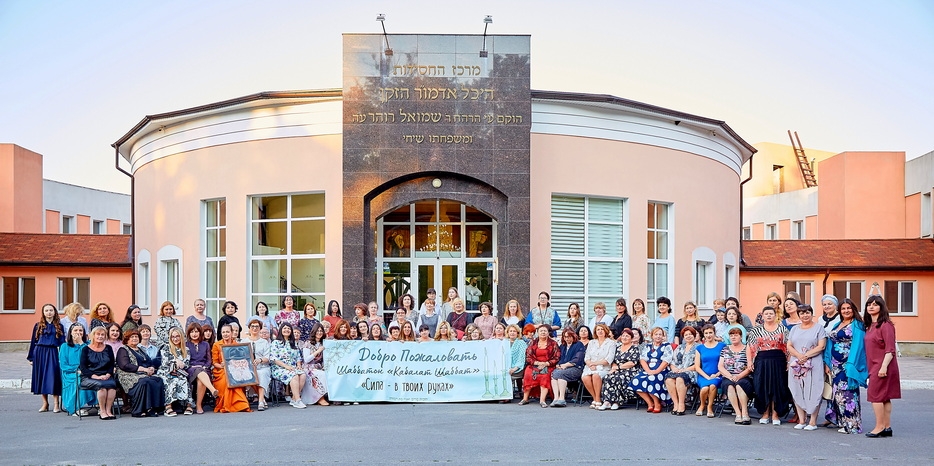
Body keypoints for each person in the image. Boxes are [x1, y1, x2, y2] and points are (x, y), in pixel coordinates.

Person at [823, 298, 868, 434]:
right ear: (839, 311)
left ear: (853, 309)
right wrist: (827, 363)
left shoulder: (858, 325)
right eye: (843, 308)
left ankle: (853, 425)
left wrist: (851, 364)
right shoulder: (838, 324)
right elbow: (830, 342)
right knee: (838, 395)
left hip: (847, 365)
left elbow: (859, 346)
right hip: (835, 366)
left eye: (849, 308)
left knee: (848, 394)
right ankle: (843, 422)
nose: (846, 311)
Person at [863, 295, 900, 438]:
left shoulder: (886, 325)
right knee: (884, 397)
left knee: (875, 396)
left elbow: (890, 349)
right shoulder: (870, 326)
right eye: (869, 304)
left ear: (881, 307)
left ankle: (879, 427)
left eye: (875, 304)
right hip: (874, 365)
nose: (871, 307)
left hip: (883, 366)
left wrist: (883, 367)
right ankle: (887, 427)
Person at [748, 306, 791, 425]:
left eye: (771, 313)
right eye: (766, 313)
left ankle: (776, 414)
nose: (768, 315)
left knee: (777, 387)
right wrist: (749, 361)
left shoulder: (783, 329)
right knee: (762, 386)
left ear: (775, 315)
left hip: (779, 361)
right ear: (762, 316)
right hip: (761, 361)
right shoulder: (756, 330)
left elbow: (788, 347)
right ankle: (765, 413)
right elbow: (750, 346)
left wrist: (788, 362)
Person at [115, 329, 166, 417]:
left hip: (143, 374)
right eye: (132, 337)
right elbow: (124, 365)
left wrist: (151, 368)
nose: (135, 338)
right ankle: (139, 410)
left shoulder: (140, 349)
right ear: (127, 339)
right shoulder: (123, 349)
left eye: (136, 337)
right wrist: (143, 369)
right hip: (127, 375)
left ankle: (154, 408)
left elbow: (149, 361)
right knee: (144, 382)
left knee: (158, 380)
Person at [28, 303, 64, 413]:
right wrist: (31, 358)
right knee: (42, 377)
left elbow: (62, 343)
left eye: (51, 310)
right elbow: (33, 341)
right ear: (43, 313)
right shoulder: (38, 325)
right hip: (39, 352)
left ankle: (56, 403)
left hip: (52, 352)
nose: (49, 312)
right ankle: (45, 403)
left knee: (53, 377)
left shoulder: (59, 326)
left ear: (54, 312)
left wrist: (62, 356)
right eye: (46, 310)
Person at [630, 327, 673, 413]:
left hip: (661, 370)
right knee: (636, 380)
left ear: (663, 336)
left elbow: (666, 361)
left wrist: (656, 371)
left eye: (660, 334)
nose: (658, 336)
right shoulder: (648, 346)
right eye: (656, 334)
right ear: (652, 336)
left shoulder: (666, 346)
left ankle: (657, 403)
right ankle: (650, 403)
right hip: (648, 369)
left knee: (652, 379)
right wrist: (648, 371)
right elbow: (642, 359)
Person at [79, 326, 118, 420]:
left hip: (106, 375)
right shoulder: (85, 349)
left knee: (112, 386)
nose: (100, 336)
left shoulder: (108, 348)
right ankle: (102, 411)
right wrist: (96, 377)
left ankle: (108, 411)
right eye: (98, 334)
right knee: (102, 386)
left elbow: (111, 364)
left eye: (102, 335)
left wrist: (108, 374)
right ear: (93, 335)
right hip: (89, 377)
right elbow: (83, 368)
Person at [211, 324, 251, 413]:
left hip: (235, 368)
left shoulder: (236, 345)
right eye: (223, 332)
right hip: (220, 370)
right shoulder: (216, 345)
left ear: (232, 333)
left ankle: (240, 404)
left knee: (234, 376)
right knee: (226, 377)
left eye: (227, 332)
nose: (225, 334)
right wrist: (222, 366)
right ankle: (226, 404)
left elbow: (241, 359)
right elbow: (215, 363)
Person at [718, 327, 753, 424]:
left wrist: (738, 376)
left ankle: (745, 413)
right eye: (731, 335)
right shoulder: (725, 349)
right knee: (729, 385)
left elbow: (750, 366)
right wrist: (730, 376)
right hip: (728, 376)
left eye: (736, 335)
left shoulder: (747, 348)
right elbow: (720, 366)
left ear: (741, 337)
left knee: (739, 385)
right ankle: (738, 413)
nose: (733, 337)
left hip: (744, 376)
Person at [519, 325, 560, 407]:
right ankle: (525, 399)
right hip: (535, 364)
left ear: (548, 333)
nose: (543, 332)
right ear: (537, 333)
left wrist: (546, 363)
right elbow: (528, 357)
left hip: (548, 365)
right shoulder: (533, 342)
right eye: (541, 331)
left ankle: (542, 400)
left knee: (545, 375)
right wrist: (537, 363)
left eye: (545, 331)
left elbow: (556, 357)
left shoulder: (553, 343)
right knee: (528, 373)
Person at [601, 328, 641, 410]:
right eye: (623, 336)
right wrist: (613, 368)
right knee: (607, 377)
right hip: (617, 369)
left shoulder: (634, 348)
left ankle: (617, 401)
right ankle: (607, 401)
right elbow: (614, 361)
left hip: (630, 370)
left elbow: (632, 363)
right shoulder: (618, 348)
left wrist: (619, 367)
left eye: (627, 336)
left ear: (631, 338)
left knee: (618, 378)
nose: (624, 338)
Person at [270, 323, 308, 408]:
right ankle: (298, 400)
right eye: (284, 328)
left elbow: (298, 357)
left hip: (292, 368)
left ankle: (294, 399)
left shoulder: (293, 343)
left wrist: (299, 365)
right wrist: (286, 366)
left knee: (303, 374)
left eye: (288, 328)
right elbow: (274, 358)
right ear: (281, 330)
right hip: (279, 368)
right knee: (294, 375)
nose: (286, 330)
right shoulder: (276, 342)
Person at [59, 323, 95, 415]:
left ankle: (98, 404)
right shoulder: (64, 346)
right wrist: (77, 369)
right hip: (71, 372)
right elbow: (63, 365)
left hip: (86, 370)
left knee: (95, 378)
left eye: (80, 330)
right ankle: (75, 407)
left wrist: (81, 343)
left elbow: (90, 357)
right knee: (80, 379)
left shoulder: (87, 345)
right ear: (71, 333)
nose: (78, 332)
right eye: (75, 330)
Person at [158, 327, 194, 416]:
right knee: (172, 380)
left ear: (181, 337)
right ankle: (168, 406)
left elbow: (186, 364)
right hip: (166, 371)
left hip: (179, 372)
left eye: (177, 336)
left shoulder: (186, 349)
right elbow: (165, 362)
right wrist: (175, 361)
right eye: (173, 337)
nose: (175, 339)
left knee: (184, 380)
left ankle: (188, 405)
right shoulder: (166, 348)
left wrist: (180, 364)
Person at [664, 327, 698, 416]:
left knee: (680, 378)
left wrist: (684, 370)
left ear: (694, 335)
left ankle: (682, 404)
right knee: (669, 379)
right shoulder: (680, 347)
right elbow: (672, 362)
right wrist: (674, 369)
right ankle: (676, 403)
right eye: (686, 335)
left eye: (690, 334)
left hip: (692, 371)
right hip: (678, 370)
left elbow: (698, 365)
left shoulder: (699, 347)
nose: (688, 336)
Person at [185, 323, 217, 414]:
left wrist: (204, 367)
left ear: (200, 332)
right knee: (199, 372)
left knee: (200, 380)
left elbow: (209, 360)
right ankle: (212, 390)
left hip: (204, 369)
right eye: (192, 332)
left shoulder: (205, 344)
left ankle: (199, 405)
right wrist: (192, 366)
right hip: (191, 369)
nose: (194, 334)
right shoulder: (186, 344)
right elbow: (185, 359)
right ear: (189, 333)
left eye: (196, 332)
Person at [694, 324, 725, 417]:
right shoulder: (700, 348)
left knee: (712, 386)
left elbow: (726, 364)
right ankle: (702, 405)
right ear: (703, 334)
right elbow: (697, 366)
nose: (708, 335)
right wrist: (707, 377)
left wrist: (717, 374)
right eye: (706, 333)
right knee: (704, 389)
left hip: (718, 375)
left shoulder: (722, 346)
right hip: (703, 375)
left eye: (710, 332)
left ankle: (710, 407)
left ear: (714, 333)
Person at [549, 328, 585, 407]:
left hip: (576, 368)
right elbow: (559, 358)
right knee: (554, 374)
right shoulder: (563, 346)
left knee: (561, 375)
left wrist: (565, 365)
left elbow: (578, 359)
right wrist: (558, 365)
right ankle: (556, 398)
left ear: (573, 336)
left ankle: (562, 399)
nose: (567, 338)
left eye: (569, 337)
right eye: (565, 337)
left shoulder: (579, 344)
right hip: (563, 368)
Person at [583, 323, 616, 410]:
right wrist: (590, 364)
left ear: (606, 331)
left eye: (602, 329)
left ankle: (597, 399)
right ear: (595, 332)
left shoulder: (611, 343)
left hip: (604, 367)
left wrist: (595, 363)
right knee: (585, 377)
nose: (600, 331)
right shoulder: (591, 342)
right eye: (598, 330)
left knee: (596, 375)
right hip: (590, 366)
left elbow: (609, 359)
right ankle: (595, 398)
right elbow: (587, 357)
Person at [242, 319, 272, 411]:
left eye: (257, 326)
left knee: (261, 374)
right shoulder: (243, 341)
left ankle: (261, 401)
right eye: (252, 326)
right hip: (248, 367)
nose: (254, 328)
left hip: (262, 367)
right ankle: (260, 399)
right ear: (249, 328)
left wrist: (260, 360)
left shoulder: (264, 342)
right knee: (248, 374)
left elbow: (268, 357)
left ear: (260, 328)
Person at [300, 323, 330, 406]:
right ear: (314, 332)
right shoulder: (308, 343)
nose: (319, 333)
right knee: (322, 375)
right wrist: (317, 351)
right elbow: (306, 359)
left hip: (319, 366)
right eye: (317, 331)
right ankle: (320, 398)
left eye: (321, 331)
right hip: (309, 367)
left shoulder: (323, 343)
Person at [503, 324, 527, 402]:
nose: (512, 333)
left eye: (514, 331)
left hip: (518, 368)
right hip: (506, 367)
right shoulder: (504, 342)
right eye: (510, 331)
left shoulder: (521, 343)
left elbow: (521, 358)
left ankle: (507, 396)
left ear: (517, 333)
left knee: (508, 376)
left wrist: (514, 368)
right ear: (507, 332)